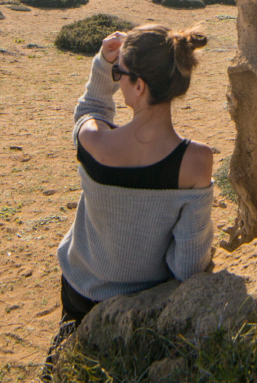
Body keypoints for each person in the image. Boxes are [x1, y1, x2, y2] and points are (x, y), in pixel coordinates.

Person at [54, 24, 216, 331]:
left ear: (139, 86)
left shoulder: (95, 143)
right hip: (142, 307)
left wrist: (104, 63)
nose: (118, 79)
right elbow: (188, 266)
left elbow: (90, 109)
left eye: (120, 75)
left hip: (81, 287)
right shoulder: (196, 161)